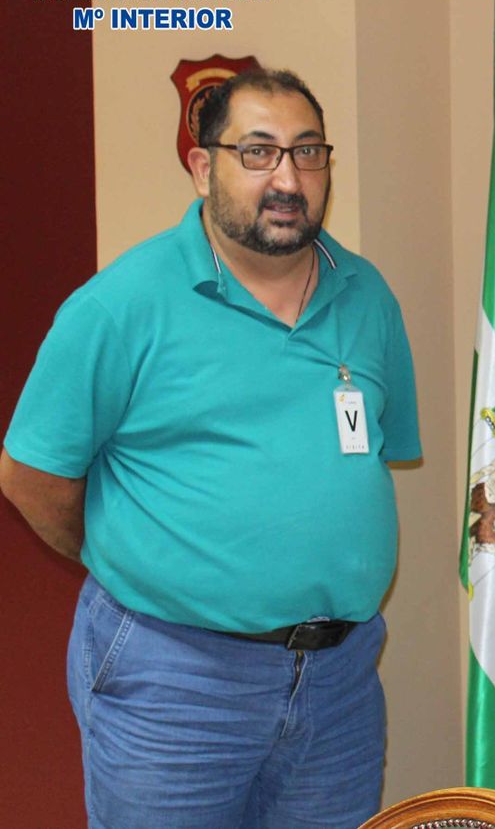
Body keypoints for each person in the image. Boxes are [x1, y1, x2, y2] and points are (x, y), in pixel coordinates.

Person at [0, 69, 421, 828]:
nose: (287, 178)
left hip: (340, 683)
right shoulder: (121, 305)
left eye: (307, 152)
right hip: (177, 681)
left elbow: (371, 455)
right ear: (203, 168)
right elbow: (31, 475)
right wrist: (138, 564)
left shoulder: (366, 295)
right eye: (257, 152)